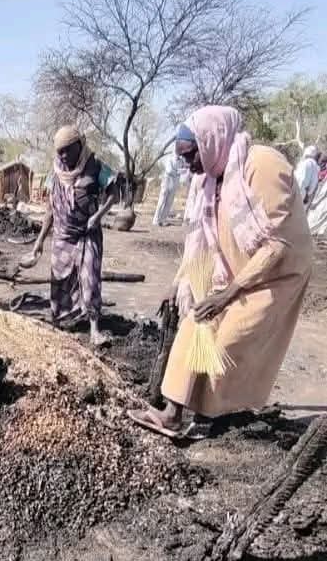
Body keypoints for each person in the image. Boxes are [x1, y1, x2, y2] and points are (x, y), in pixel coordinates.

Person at [129, 106, 313, 440]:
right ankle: (171, 413)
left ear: (211, 140)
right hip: (232, 271)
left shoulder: (261, 165)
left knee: (230, 339)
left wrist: (228, 295)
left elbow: (277, 246)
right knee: (194, 324)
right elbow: (199, 241)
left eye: (190, 155)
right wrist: (178, 284)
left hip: (277, 274)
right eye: (183, 159)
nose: (188, 165)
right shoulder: (208, 179)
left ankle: (211, 415)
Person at [21, 125, 118, 347]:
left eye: (67, 149)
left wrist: (99, 216)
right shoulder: (55, 173)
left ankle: (95, 329)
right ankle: (58, 321)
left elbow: (115, 193)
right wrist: (38, 244)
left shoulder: (95, 166)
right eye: (59, 151)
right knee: (59, 280)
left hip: (87, 233)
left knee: (90, 279)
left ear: (79, 145)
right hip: (62, 235)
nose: (63, 155)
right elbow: (50, 211)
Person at [152, 154, 181, 227]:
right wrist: (178, 171)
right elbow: (169, 170)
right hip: (167, 182)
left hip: (174, 184)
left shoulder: (181, 161)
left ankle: (162, 220)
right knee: (161, 201)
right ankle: (156, 220)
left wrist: (178, 171)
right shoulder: (170, 159)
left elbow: (184, 170)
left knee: (169, 203)